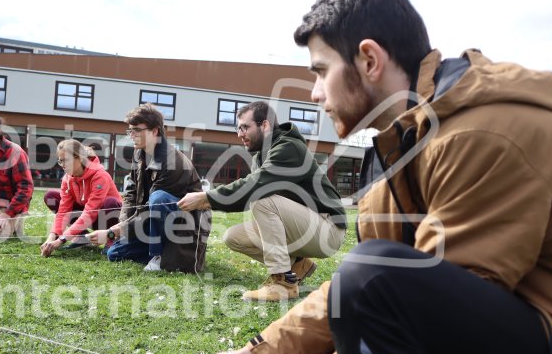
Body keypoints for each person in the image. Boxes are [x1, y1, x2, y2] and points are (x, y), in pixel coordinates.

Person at [187, 0, 552, 354]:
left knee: (371, 274)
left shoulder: (487, 133)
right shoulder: (399, 153)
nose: (314, 93)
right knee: (368, 278)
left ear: (369, 59)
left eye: (320, 71)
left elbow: (427, 305)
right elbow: (366, 297)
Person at [178, 101, 347, 301]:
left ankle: (283, 282)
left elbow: (255, 186)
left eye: (245, 127)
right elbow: (248, 191)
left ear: (265, 125)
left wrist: (206, 198)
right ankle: (298, 265)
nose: (239, 134)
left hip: (328, 230)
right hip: (304, 228)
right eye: (238, 128)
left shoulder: (289, 148)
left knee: (262, 199)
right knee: (233, 236)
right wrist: (208, 200)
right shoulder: (261, 155)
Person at [88, 103, 208, 272]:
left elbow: (154, 208)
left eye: (137, 130)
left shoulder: (173, 162)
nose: (132, 135)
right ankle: (165, 255)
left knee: (158, 198)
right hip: (150, 223)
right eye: (130, 130)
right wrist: (123, 228)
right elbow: (130, 195)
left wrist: (113, 232)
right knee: (114, 253)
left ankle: (159, 254)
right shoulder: (139, 154)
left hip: (183, 227)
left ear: (155, 131)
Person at [40, 139, 122, 257]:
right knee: (51, 196)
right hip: (86, 215)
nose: (63, 165)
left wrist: (61, 240)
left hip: (104, 216)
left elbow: (90, 213)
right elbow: (63, 211)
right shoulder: (67, 178)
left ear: (79, 158)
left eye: (66, 160)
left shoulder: (100, 175)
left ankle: (111, 238)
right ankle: (81, 237)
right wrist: (51, 237)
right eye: (60, 161)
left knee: (111, 202)